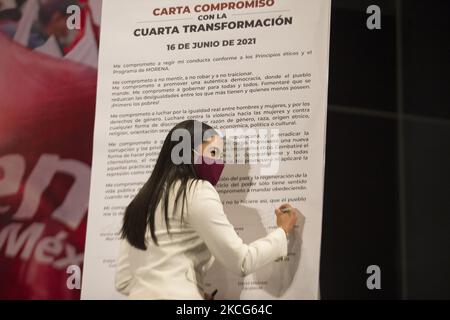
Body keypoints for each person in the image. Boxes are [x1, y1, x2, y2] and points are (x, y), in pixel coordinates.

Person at [115, 120, 299, 300]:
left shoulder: (140, 200)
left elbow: (123, 280)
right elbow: (241, 261)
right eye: (213, 152)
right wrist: (282, 232)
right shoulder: (197, 190)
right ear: (187, 153)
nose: (218, 162)